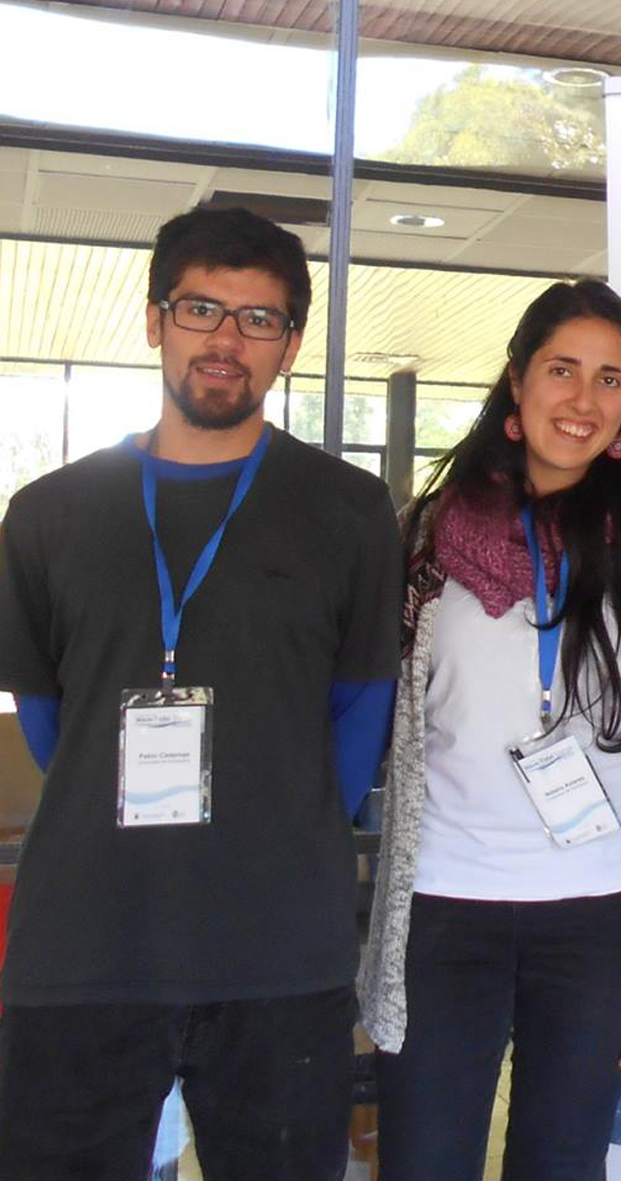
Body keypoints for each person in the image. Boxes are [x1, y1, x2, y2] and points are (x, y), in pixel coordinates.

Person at [0, 206, 403, 1180]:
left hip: (278, 948)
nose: (226, 339)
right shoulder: (48, 512)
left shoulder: (347, 509)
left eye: (258, 319)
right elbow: (55, 726)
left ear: (290, 344)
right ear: (154, 321)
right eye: (201, 308)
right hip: (86, 942)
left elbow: (359, 715)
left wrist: (273, 830)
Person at [357, 278, 621, 1181]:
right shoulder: (423, 541)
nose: (584, 398)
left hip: (602, 913)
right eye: (563, 369)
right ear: (516, 383)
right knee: (424, 1162)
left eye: (610, 378)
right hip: (445, 906)